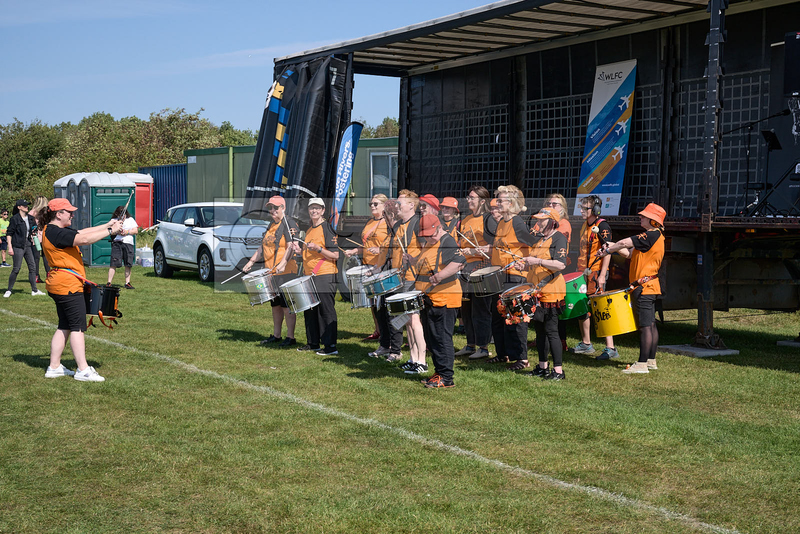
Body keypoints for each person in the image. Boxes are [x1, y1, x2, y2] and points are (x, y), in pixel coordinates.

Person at [39, 198, 123, 382]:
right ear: (58, 214)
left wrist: (107, 225)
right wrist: (110, 231)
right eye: (69, 212)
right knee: (77, 327)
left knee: (65, 325)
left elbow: (83, 232)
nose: (72, 215)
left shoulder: (53, 230)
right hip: (67, 286)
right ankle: (83, 370)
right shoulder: (56, 232)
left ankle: (54, 366)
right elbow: (84, 239)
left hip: (61, 284)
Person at [597, 202, 666, 374]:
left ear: (653, 220)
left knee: (645, 326)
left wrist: (609, 250)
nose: (640, 217)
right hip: (648, 286)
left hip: (645, 287)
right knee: (650, 324)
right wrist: (612, 246)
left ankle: (642, 364)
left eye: (644, 216)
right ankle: (650, 361)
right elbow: (628, 253)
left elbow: (623, 243)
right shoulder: (654, 237)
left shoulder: (651, 235)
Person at [486, 185, 536, 370]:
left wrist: (526, 262)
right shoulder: (501, 222)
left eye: (501, 200)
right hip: (500, 275)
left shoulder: (517, 223)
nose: (497, 203)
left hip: (515, 277)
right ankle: (503, 354)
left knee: (516, 318)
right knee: (498, 317)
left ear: (511, 202)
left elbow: (534, 244)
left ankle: (522, 358)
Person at [415, 214, 466, 388]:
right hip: (431, 298)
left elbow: (459, 262)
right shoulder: (431, 243)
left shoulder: (447, 241)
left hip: (444, 298)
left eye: (430, 235)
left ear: (438, 227)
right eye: (425, 235)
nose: (428, 238)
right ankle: (439, 372)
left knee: (442, 338)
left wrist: (440, 276)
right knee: (432, 338)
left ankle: (446, 377)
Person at [243, 196, 300, 347]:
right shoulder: (271, 224)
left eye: (276, 207)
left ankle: (291, 337)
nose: (273, 210)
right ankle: (276, 335)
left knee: (286, 306)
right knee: (275, 305)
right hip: (271, 272)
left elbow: (291, 246)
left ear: (283, 208)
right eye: (270, 208)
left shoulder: (288, 223)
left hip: (286, 272)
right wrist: (251, 261)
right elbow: (263, 246)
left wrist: (283, 263)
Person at [519, 208, 568, 380]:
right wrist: (525, 265)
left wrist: (537, 261)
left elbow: (560, 264)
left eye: (542, 220)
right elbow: (536, 263)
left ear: (552, 222)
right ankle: (542, 367)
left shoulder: (559, 238)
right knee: (540, 331)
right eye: (538, 220)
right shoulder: (541, 239)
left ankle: (558, 371)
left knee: (551, 331)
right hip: (537, 291)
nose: (538, 223)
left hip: (551, 291)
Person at [574, 195, 617, 359]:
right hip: (583, 272)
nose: (581, 211)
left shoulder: (602, 226)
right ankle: (586, 343)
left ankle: (611, 347)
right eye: (581, 207)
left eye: (585, 208)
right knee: (582, 307)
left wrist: (602, 275)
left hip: (596, 272)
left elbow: (608, 251)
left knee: (600, 308)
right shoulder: (584, 225)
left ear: (596, 210)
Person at [346, 194, 391, 351]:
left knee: (381, 303)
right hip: (367, 265)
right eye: (371, 204)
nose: (372, 206)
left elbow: (392, 245)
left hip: (381, 265)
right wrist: (354, 251)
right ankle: (378, 330)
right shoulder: (370, 222)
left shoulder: (388, 223)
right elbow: (365, 245)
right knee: (372, 302)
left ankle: (388, 335)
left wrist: (380, 250)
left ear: (385, 205)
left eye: (376, 204)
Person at [455, 186, 493, 360]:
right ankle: (470, 344)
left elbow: (495, 246)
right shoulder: (466, 219)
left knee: (480, 309)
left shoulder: (488, 220)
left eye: (472, 198)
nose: (468, 200)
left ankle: (483, 347)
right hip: (466, 268)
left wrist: (474, 251)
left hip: (483, 267)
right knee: (466, 308)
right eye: (468, 197)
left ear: (482, 201)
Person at [298, 198, 339, 356]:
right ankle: (313, 342)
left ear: (323, 210)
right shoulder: (310, 230)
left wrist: (319, 249)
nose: (314, 211)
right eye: (311, 208)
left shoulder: (327, 228)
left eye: (317, 208)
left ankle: (330, 346)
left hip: (325, 274)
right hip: (310, 275)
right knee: (310, 310)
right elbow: (309, 254)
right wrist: (299, 251)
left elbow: (335, 255)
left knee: (326, 310)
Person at [393, 190, 426, 373]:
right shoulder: (400, 224)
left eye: (400, 203)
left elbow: (428, 250)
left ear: (411, 205)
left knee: (414, 319)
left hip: (414, 278)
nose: (397, 206)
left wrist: (414, 259)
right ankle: (413, 358)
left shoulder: (417, 223)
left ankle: (422, 361)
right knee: (407, 320)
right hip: (401, 277)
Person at [4, 199, 44, 298]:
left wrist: (34, 231)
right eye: (24, 205)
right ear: (19, 207)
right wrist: (10, 248)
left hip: (28, 245)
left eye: (27, 205)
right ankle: (9, 290)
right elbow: (9, 234)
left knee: (32, 267)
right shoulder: (15, 219)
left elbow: (33, 229)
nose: (27, 207)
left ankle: (34, 290)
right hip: (18, 245)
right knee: (16, 268)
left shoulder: (31, 218)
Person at [106, 205, 139, 289]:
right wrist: (117, 231)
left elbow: (135, 231)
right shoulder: (114, 220)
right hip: (117, 243)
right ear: (117, 214)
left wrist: (126, 232)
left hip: (128, 243)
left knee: (128, 263)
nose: (122, 217)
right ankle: (109, 282)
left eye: (123, 214)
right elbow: (110, 231)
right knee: (113, 262)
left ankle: (127, 282)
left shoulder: (130, 220)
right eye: (120, 215)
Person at [28, 196, 51, 282]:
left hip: (35, 237)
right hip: (45, 236)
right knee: (46, 256)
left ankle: (36, 276)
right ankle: (48, 274)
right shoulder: (47, 212)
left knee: (36, 258)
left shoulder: (32, 213)